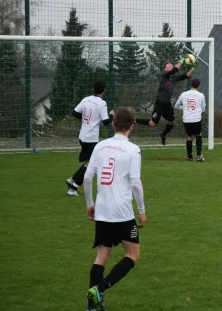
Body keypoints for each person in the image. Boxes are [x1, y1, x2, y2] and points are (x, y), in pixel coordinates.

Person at [84, 107, 146, 311]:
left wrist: (90, 204)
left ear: (113, 124)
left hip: (102, 210)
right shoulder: (133, 149)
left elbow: (87, 177)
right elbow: (136, 183)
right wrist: (142, 210)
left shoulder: (100, 146)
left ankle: (92, 305)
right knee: (132, 255)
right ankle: (100, 288)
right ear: (132, 127)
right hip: (122, 212)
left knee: (102, 256)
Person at [65, 81, 113, 197]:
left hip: (82, 136)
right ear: (104, 90)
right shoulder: (102, 103)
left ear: (93, 89)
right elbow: (106, 122)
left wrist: (87, 119)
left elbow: (74, 113)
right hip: (91, 138)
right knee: (92, 163)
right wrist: (112, 115)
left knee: (90, 161)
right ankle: (74, 186)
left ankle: (73, 180)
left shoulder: (86, 99)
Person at [135, 57, 197, 145]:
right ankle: (136, 120)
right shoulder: (165, 75)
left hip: (167, 103)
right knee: (153, 124)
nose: (171, 66)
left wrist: (193, 68)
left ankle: (163, 135)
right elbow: (176, 69)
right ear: (166, 68)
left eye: (172, 64)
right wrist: (182, 60)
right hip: (160, 102)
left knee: (172, 121)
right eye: (169, 65)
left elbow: (186, 75)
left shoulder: (174, 78)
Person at [174, 78, 206, 161]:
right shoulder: (201, 95)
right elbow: (203, 109)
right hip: (196, 119)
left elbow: (176, 106)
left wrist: (185, 107)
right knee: (198, 135)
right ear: (198, 85)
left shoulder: (184, 94)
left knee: (190, 137)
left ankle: (189, 156)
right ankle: (199, 155)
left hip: (187, 119)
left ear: (191, 84)